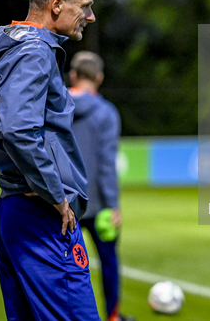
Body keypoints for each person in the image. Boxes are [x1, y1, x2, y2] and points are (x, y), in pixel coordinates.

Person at [0, 0, 104, 320]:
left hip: (13, 208)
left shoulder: (3, 44)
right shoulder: (36, 51)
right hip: (42, 214)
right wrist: (56, 196)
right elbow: (17, 129)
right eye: (85, 6)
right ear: (57, 3)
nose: (90, 17)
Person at [68, 51, 134, 321]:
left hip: (62, 204)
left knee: (64, 268)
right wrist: (113, 204)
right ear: (100, 78)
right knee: (108, 263)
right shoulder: (106, 112)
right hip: (97, 204)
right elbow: (107, 164)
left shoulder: (53, 105)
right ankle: (112, 317)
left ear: (72, 75)